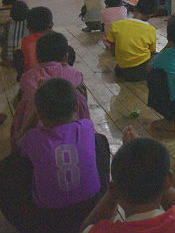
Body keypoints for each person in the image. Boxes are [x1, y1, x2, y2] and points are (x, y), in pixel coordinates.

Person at [0, 78, 109, 233]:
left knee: (10, 164)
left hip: (47, 220)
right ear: (76, 107)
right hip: (92, 208)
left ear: (39, 113)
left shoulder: (33, 138)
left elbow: (17, 143)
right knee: (100, 141)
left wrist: (35, 114)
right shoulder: (86, 126)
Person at [81, 134, 175, 232]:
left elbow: (86, 228)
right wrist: (146, 162)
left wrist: (114, 190)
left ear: (114, 190)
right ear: (168, 180)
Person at [11, 31, 90, 149]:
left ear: (37, 57)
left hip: (35, 137)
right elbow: (84, 102)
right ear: (65, 57)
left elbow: (18, 105)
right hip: (71, 136)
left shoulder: (28, 77)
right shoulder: (74, 75)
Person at [107, 0, 158, 81]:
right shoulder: (151, 29)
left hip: (122, 71)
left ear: (135, 8)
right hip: (142, 72)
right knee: (158, 56)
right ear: (151, 14)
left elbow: (112, 49)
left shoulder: (116, 25)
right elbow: (152, 51)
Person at [16, 6, 54, 75]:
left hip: (31, 76)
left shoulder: (26, 40)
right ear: (51, 25)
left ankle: (20, 75)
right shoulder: (56, 39)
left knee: (18, 53)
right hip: (54, 76)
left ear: (27, 26)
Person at [1, 0, 28, 65]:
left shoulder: (8, 24)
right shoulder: (29, 24)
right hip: (25, 58)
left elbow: (1, 39)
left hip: (7, 58)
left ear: (11, 13)